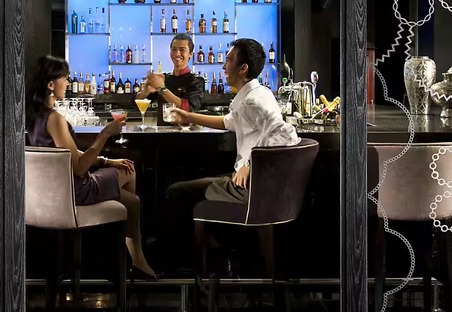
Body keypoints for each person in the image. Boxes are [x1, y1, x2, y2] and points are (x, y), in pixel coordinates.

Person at [26, 55, 156, 279]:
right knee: (130, 170)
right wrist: (105, 133)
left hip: (51, 192)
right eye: (64, 78)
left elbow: (65, 153)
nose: (68, 83)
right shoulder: (55, 119)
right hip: (76, 190)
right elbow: (78, 168)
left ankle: (129, 257)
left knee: (132, 201)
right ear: (50, 85)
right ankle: (124, 254)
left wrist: (106, 161)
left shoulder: (34, 116)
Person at [166, 38, 301, 207]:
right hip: (252, 180)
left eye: (228, 60)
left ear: (243, 68)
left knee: (176, 191)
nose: (224, 66)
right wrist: (188, 117)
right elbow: (228, 121)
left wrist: (249, 165)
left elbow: (287, 135)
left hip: (249, 187)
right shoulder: (256, 93)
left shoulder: (253, 101)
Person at [134, 33, 204, 124]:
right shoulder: (163, 78)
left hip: (185, 131)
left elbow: (188, 109)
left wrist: (162, 89)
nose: (177, 53)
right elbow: (137, 104)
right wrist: (145, 91)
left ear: (190, 53)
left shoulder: (196, 80)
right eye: (174, 49)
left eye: (182, 50)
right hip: (162, 131)